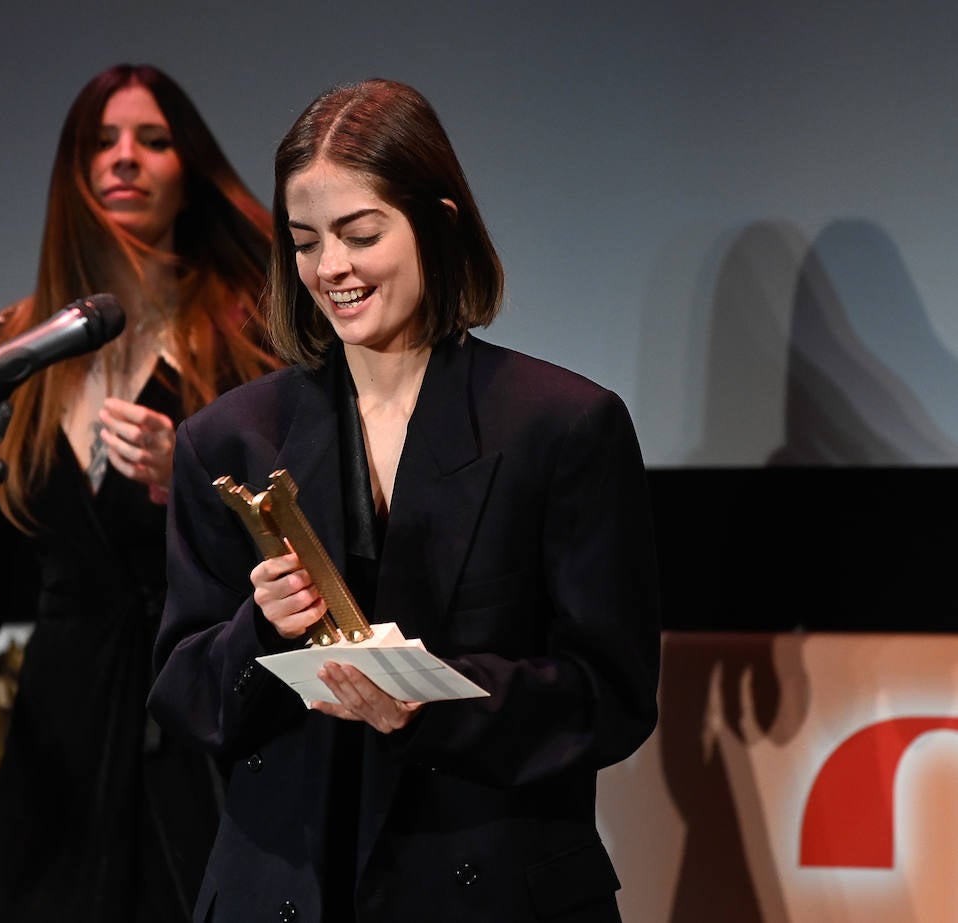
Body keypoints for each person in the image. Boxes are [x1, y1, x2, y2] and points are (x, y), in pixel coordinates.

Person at [147, 78, 662, 922]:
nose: (332, 268)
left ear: (440, 221)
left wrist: (438, 698)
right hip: (281, 891)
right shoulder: (228, 438)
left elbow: (611, 696)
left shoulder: (564, 427)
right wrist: (258, 628)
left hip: (489, 890)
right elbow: (183, 692)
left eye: (360, 233)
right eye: (306, 241)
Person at [0, 64, 278, 922]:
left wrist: (194, 481)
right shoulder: (13, 348)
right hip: (58, 725)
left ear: (187, 170)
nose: (124, 159)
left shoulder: (249, 339)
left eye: (153, 140)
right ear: (71, 171)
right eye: (102, 142)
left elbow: (304, 540)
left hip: (199, 711)